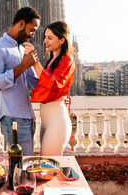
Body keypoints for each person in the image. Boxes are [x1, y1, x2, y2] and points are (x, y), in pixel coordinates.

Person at [0, 6, 41, 155]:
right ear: (21, 24)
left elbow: (34, 82)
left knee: (26, 163)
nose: (33, 34)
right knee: (21, 165)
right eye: (32, 29)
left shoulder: (22, 49)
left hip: (27, 117)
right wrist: (22, 66)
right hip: (12, 117)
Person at [26, 20, 75, 156]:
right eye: (45, 37)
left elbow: (52, 83)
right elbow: (42, 82)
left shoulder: (67, 60)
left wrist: (35, 61)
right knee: (46, 164)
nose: (45, 41)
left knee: (47, 167)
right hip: (47, 121)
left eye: (50, 38)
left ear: (61, 40)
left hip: (57, 121)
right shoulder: (51, 60)